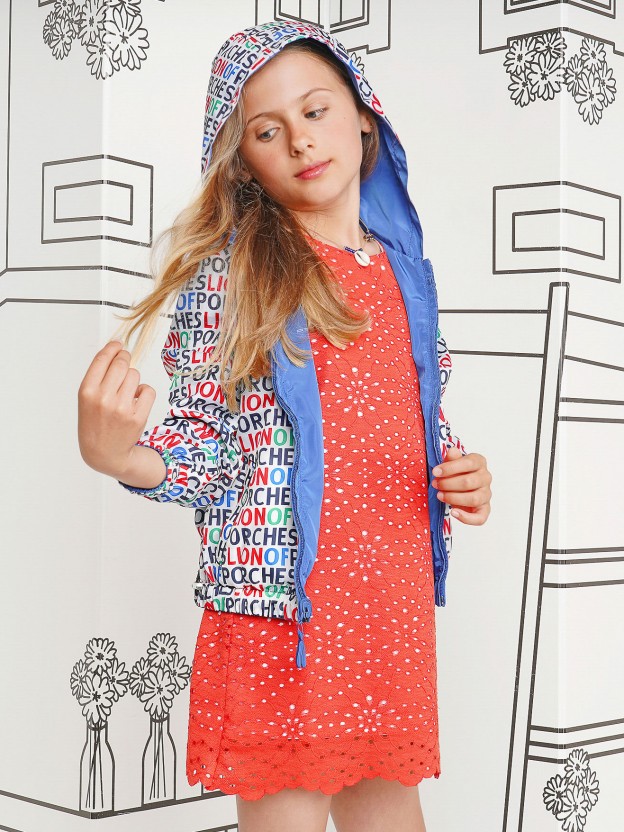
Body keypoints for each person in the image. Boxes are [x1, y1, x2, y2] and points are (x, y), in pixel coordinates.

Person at [77, 19, 492, 832]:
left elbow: (417, 415)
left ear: (363, 116)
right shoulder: (234, 277)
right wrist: (122, 457)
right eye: (267, 130)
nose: (299, 139)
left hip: (386, 614)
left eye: (315, 110)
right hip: (281, 618)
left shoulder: (406, 275)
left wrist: (460, 472)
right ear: (243, 160)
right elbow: (207, 451)